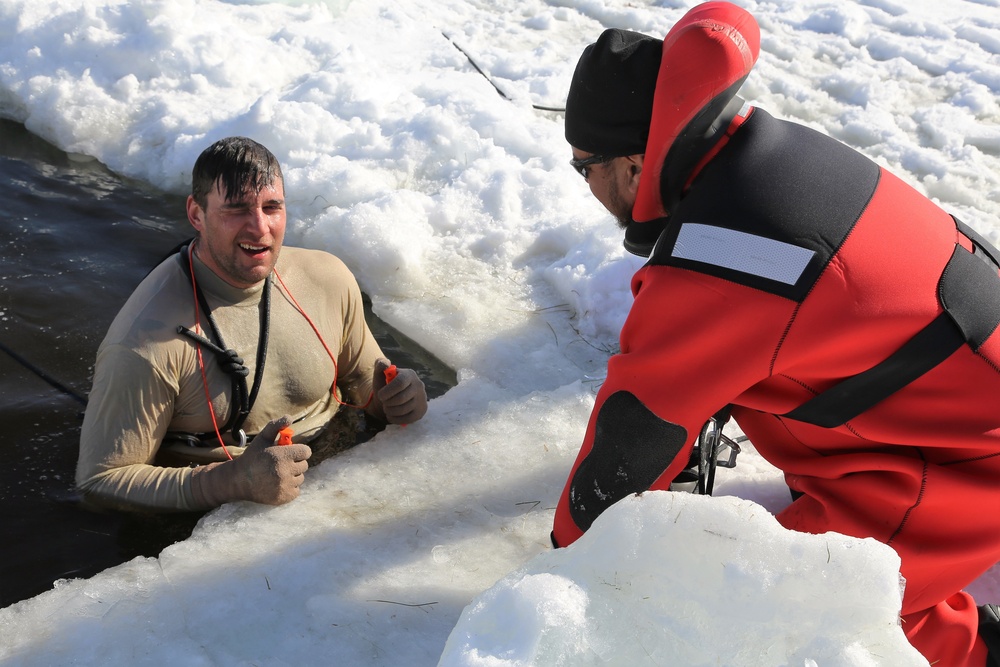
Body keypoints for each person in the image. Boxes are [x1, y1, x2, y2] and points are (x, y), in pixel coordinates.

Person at [551, 3, 1000, 666]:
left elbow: (631, 437)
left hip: (966, 456)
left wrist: (564, 582)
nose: (586, 184)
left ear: (635, 162)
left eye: (584, 165)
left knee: (809, 608)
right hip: (955, 382)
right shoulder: (757, 161)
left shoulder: (717, 267)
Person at [77, 136, 427, 513]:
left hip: (339, 475)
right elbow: (100, 481)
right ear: (196, 214)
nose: (260, 228)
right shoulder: (145, 341)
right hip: (219, 514)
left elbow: (364, 386)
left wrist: (397, 401)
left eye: (272, 207)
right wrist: (230, 481)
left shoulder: (328, 279)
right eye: (237, 209)